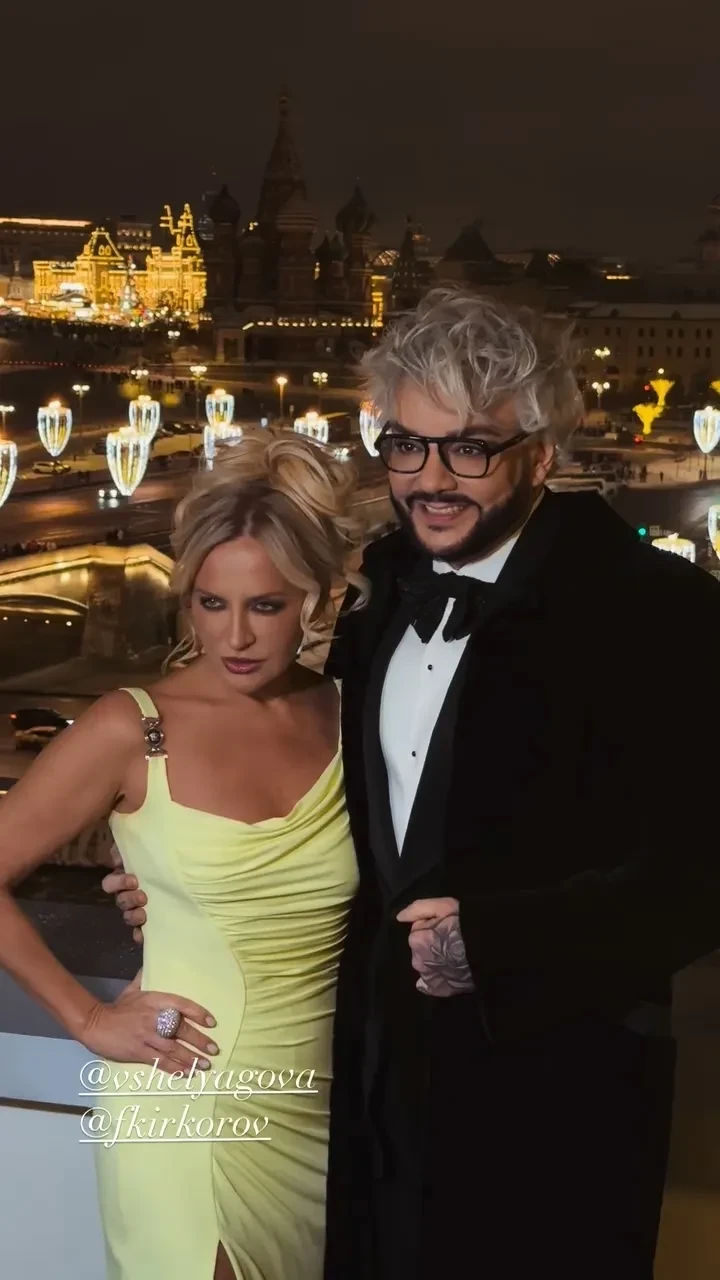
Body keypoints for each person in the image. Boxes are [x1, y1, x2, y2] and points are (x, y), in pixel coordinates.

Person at [110, 289, 720, 1280]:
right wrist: (181, 879)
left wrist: (505, 943)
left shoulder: (660, 612)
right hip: (372, 1091)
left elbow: (701, 873)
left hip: (558, 1099)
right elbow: (318, 802)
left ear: (541, 454)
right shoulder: (374, 590)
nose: (431, 478)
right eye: (406, 444)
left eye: (469, 448)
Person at [0, 429, 365, 1280]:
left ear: (317, 599)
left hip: (318, 1114)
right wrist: (88, 1018)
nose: (234, 636)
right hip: (180, 1095)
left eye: (265, 606)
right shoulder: (134, 728)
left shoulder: (348, 714)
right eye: (210, 602)